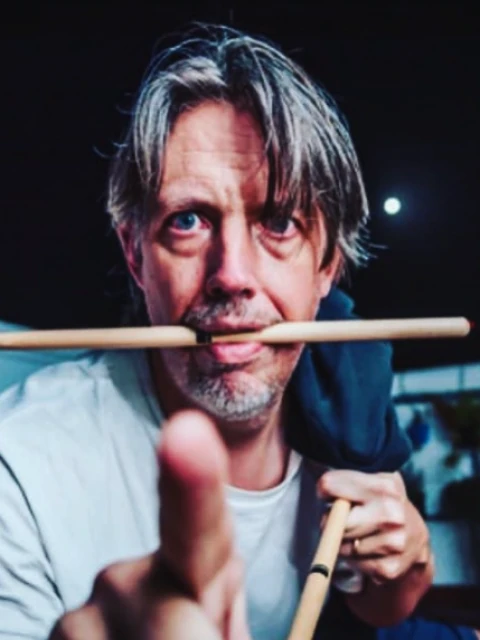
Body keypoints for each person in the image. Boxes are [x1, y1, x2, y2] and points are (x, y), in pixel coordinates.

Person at [0, 24, 476, 640]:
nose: (233, 275)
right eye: (188, 221)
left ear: (327, 266)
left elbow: (385, 609)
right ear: (135, 255)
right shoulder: (21, 463)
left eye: (278, 222)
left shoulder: (352, 409)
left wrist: (406, 568)